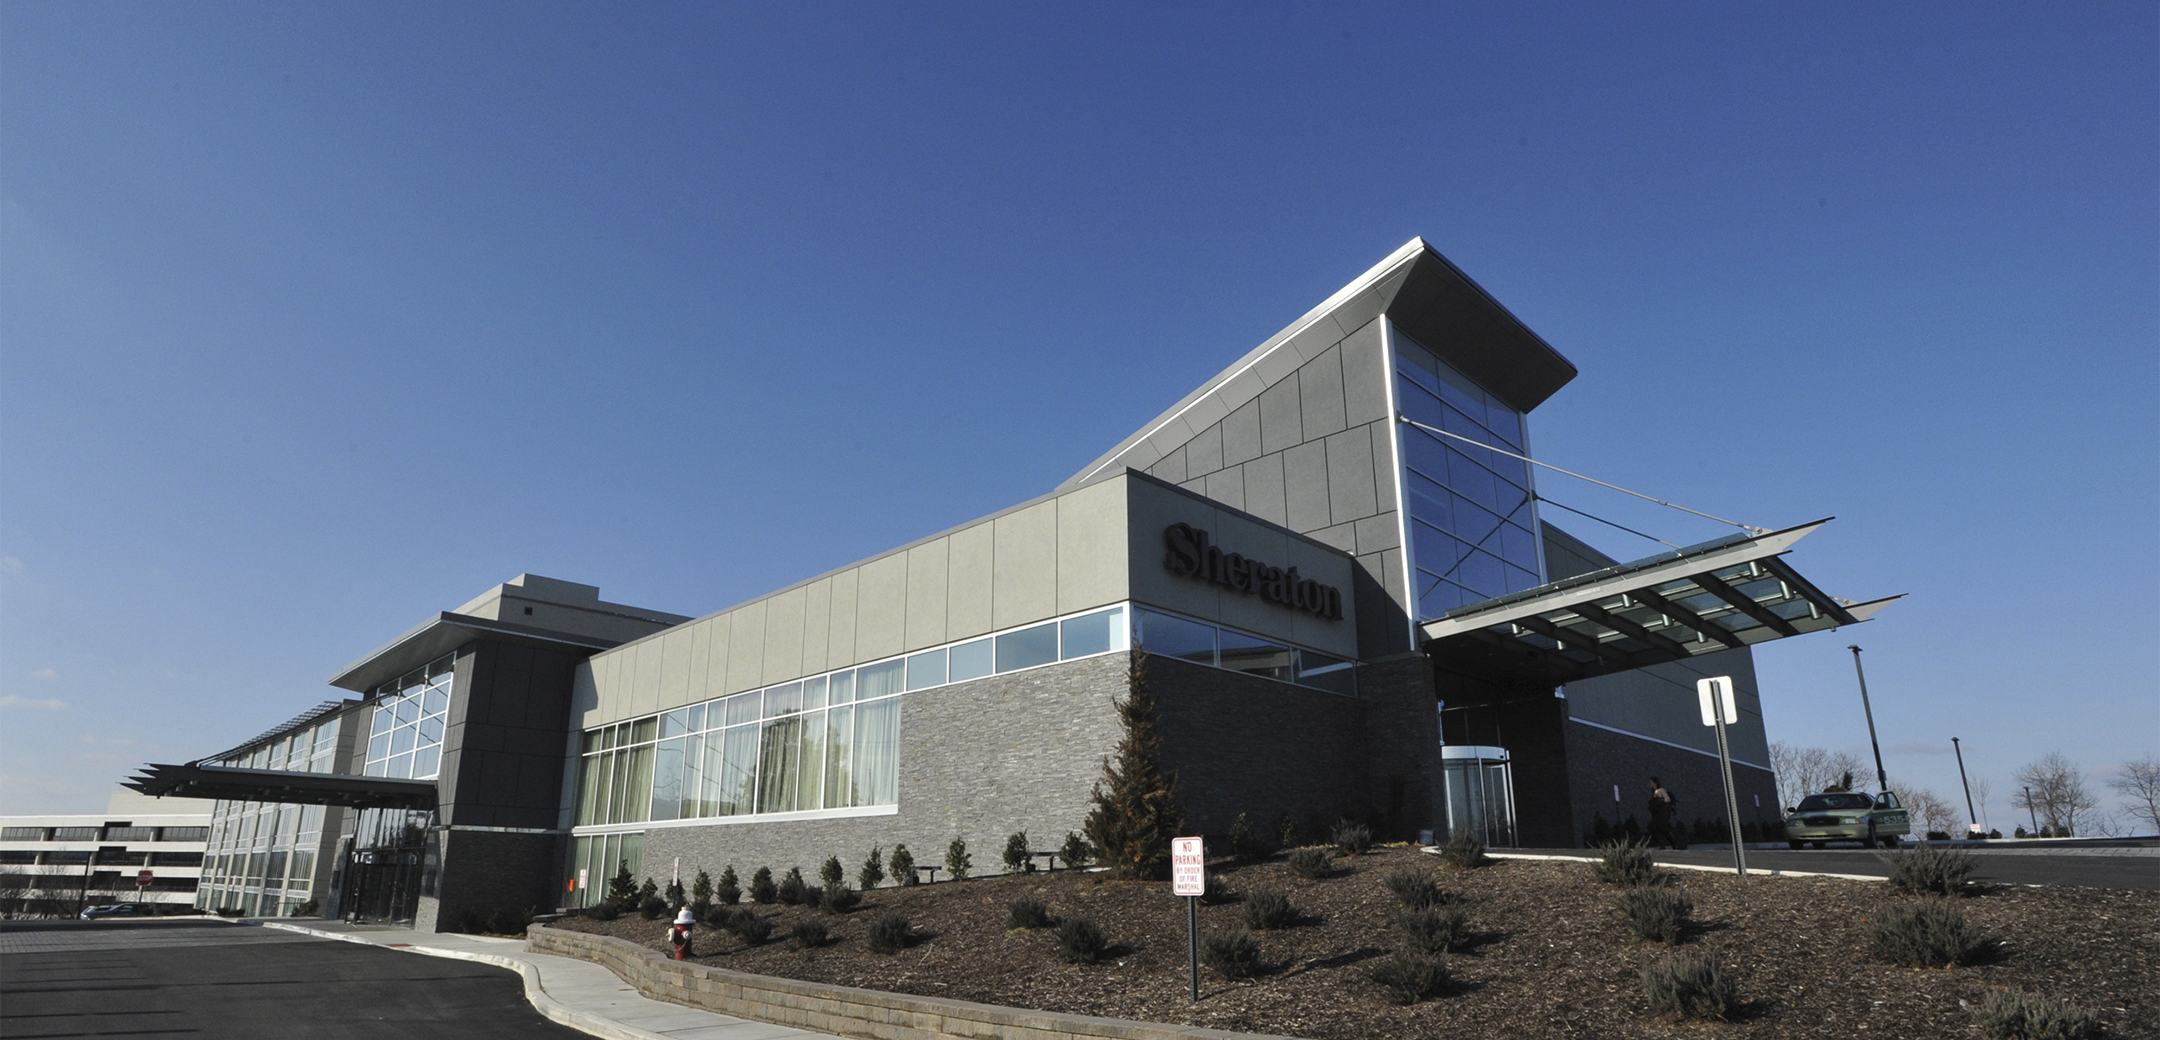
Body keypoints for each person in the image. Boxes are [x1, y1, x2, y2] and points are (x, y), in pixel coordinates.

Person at [1647, 777, 1686, 850]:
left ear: (1655, 783)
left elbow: (1667, 799)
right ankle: (1666, 845)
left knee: (1663, 828)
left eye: (1651, 782)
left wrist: (1659, 802)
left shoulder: (1660, 790)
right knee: (1660, 829)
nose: (1650, 784)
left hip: (1663, 812)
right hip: (1658, 813)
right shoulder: (1654, 792)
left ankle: (1674, 844)